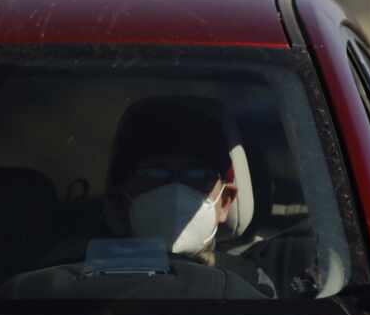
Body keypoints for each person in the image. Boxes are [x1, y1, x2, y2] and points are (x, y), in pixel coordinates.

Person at [104, 95, 274, 294]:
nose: (175, 190)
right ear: (121, 199)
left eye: (197, 176)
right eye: (153, 173)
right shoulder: (74, 285)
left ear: (225, 202)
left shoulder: (252, 289)